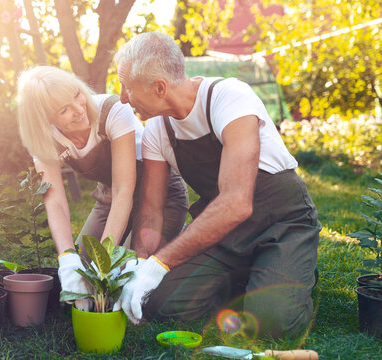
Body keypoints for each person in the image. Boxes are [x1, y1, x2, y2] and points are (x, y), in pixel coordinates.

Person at [112, 32, 321, 338]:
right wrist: (140, 264)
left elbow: (236, 202)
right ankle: (250, 275)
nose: (122, 98)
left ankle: (294, 265)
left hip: (281, 223)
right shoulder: (157, 129)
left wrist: (160, 265)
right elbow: (152, 210)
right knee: (160, 302)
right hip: (223, 234)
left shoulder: (230, 98)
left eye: (128, 88)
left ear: (159, 87)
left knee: (271, 321)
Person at [16, 66, 188, 311]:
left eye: (76, 95)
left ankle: (174, 237)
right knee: (83, 273)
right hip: (110, 199)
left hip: (160, 198)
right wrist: (67, 258)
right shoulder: (43, 139)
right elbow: (54, 201)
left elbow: (123, 190)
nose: (79, 110)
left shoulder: (112, 110)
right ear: (45, 119)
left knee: (120, 276)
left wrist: (105, 256)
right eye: (64, 109)